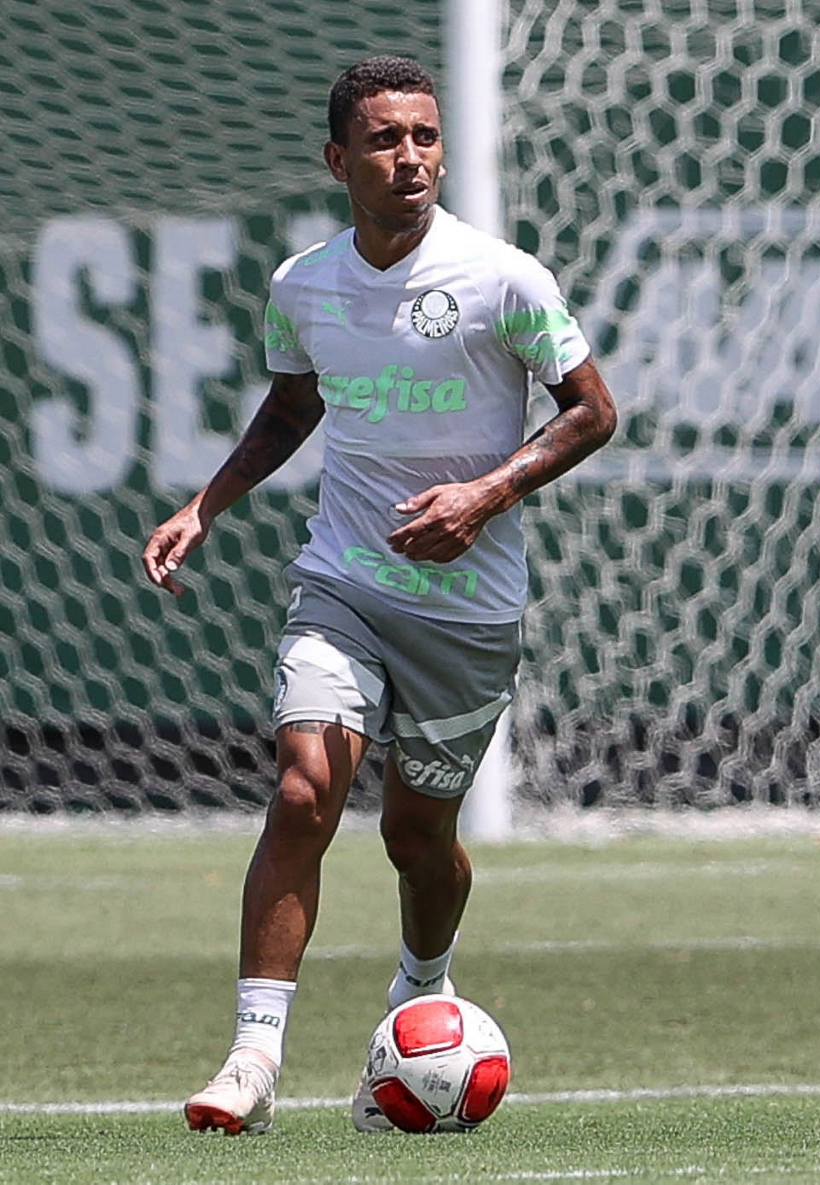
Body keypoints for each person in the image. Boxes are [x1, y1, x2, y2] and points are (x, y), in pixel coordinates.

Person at [142, 54, 617, 1135]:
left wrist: (487, 494)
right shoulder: (302, 285)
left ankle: (420, 993)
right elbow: (292, 403)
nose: (410, 158)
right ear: (337, 159)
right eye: (385, 139)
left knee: (417, 837)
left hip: (466, 611)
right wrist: (205, 505)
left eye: (424, 137)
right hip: (345, 580)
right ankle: (252, 1061)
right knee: (304, 789)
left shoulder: (504, 279)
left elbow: (593, 411)